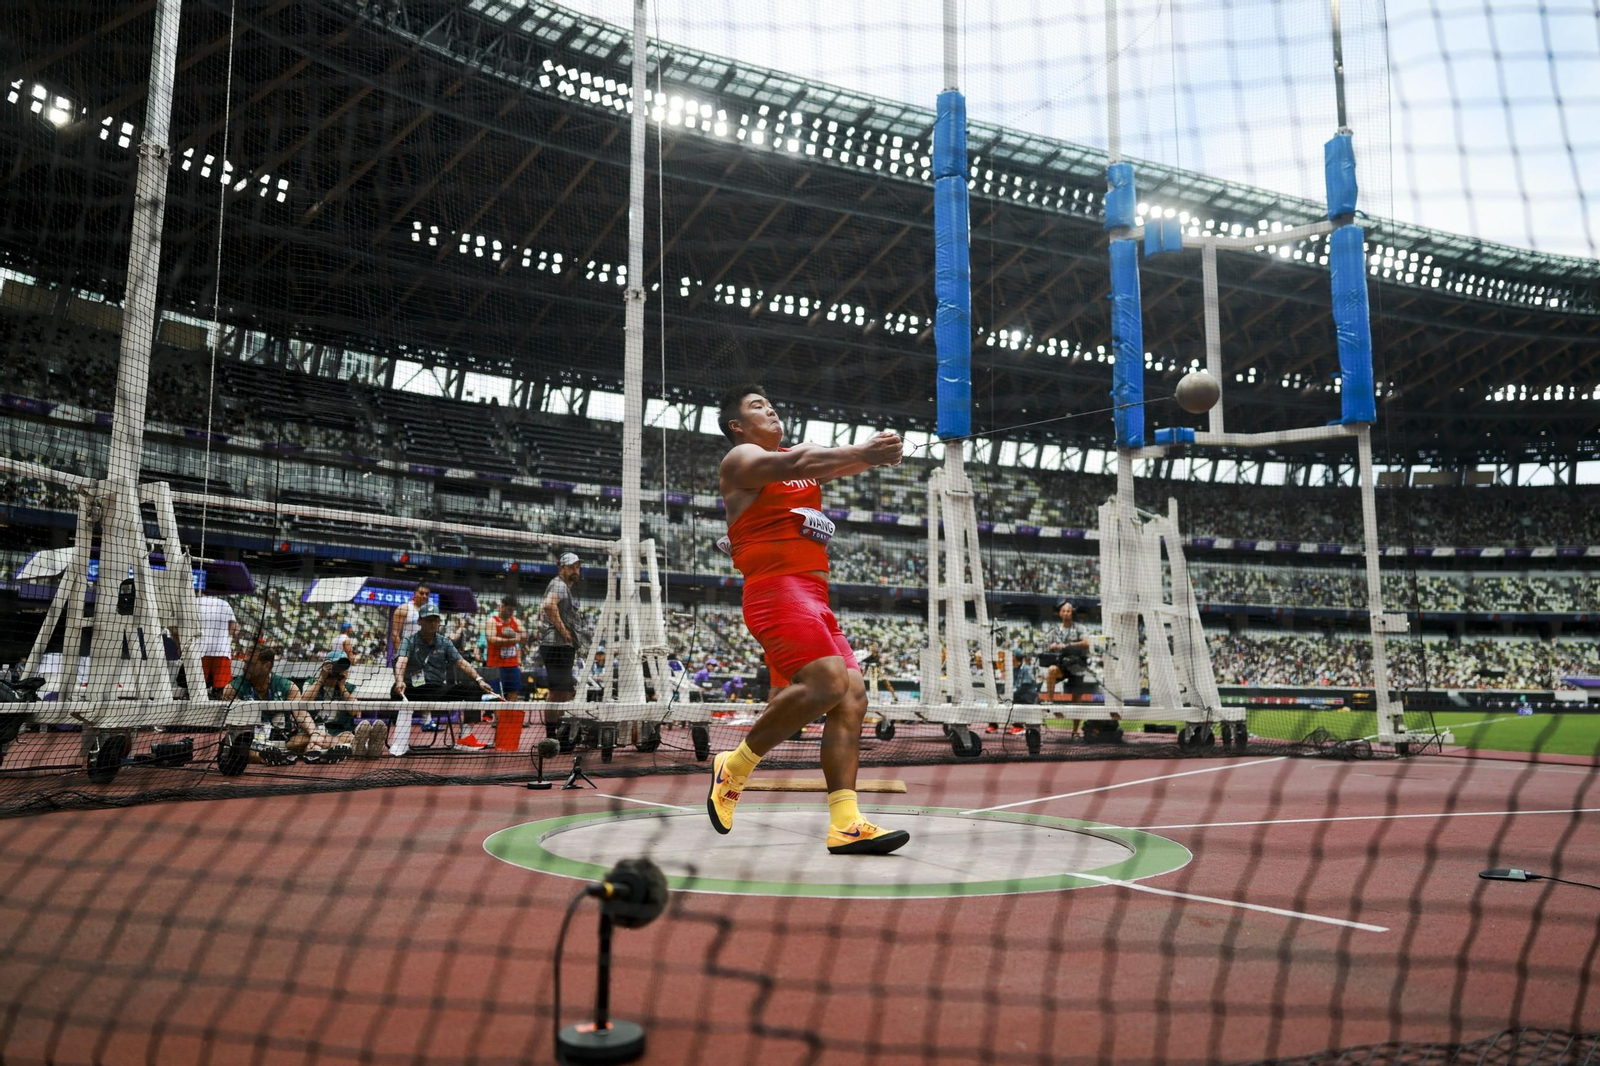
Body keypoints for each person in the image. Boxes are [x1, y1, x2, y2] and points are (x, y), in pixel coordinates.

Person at [705, 383, 909, 855]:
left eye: (772, 404)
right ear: (737, 426)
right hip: (776, 590)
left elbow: (830, 463)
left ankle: (846, 823)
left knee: (852, 696)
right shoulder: (740, 460)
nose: (772, 410)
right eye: (758, 406)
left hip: (815, 596)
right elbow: (802, 462)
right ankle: (734, 767)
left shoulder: (797, 458)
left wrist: (875, 457)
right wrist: (865, 452)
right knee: (828, 683)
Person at [393, 602, 498, 751]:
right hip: (412, 689)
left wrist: (479, 679)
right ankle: (400, 741)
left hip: (436, 690)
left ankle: (465, 737)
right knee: (397, 691)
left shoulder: (445, 642)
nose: (432, 623)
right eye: (428, 620)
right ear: (419, 621)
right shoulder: (409, 641)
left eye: (435, 620)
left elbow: (461, 662)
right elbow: (401, 661)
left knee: (473, 688)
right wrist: (399, 681)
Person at [537, 552, 587, 738]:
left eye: (578, 567)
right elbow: (549, 605)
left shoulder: (566, 587)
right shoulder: (559, 584)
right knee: (559, 691)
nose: (576, 571)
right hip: (556, 645)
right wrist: (564, 631)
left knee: (565, 691)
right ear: (562, 569)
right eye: (572, 567)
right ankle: (552, 736)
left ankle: (559, 733)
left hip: (562, 647)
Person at [1042, 599, 1095, 737]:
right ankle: (1050, 701)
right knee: (1052, 670)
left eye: (1069, 611)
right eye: (1064, 611)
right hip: (1062, 665)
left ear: (1073, 613)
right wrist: (1052, 646)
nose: (1066, 613)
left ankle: (1075, 731)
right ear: (1060, 613)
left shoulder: (1079, 628)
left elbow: (1086, 643)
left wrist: (1067, 645)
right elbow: (1046, 646)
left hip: (1077, 667)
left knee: (1077, 701)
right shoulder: (1054, 630)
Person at [195, 589, 239, 695]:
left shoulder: (195, 602)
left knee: (197, 686)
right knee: (222, 688)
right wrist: (226, 638)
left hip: (200, 649)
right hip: (221, 649)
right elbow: (233, 626)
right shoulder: (225, 604)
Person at [486, 597, 523, 701]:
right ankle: (497, 712)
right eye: (509, 610)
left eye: (513, 610)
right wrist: (512, 640)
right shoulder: (492, 621)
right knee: (496, 694)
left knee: (514, 692)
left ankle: (510, 712)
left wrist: (515, 634)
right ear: (502, 607)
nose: (511, 613)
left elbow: (524, 636)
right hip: (496, 665)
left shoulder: (516, 621)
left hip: (512, 665)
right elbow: (491, 639)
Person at [389, 584, 431, 665]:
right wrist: (401, 654)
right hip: (408, 652)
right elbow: (395, 634)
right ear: (415, 593)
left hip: (425, 654)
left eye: (427, 594)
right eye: (421, 593)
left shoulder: (430, 611)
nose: (424, 596)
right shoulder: (404, 608)